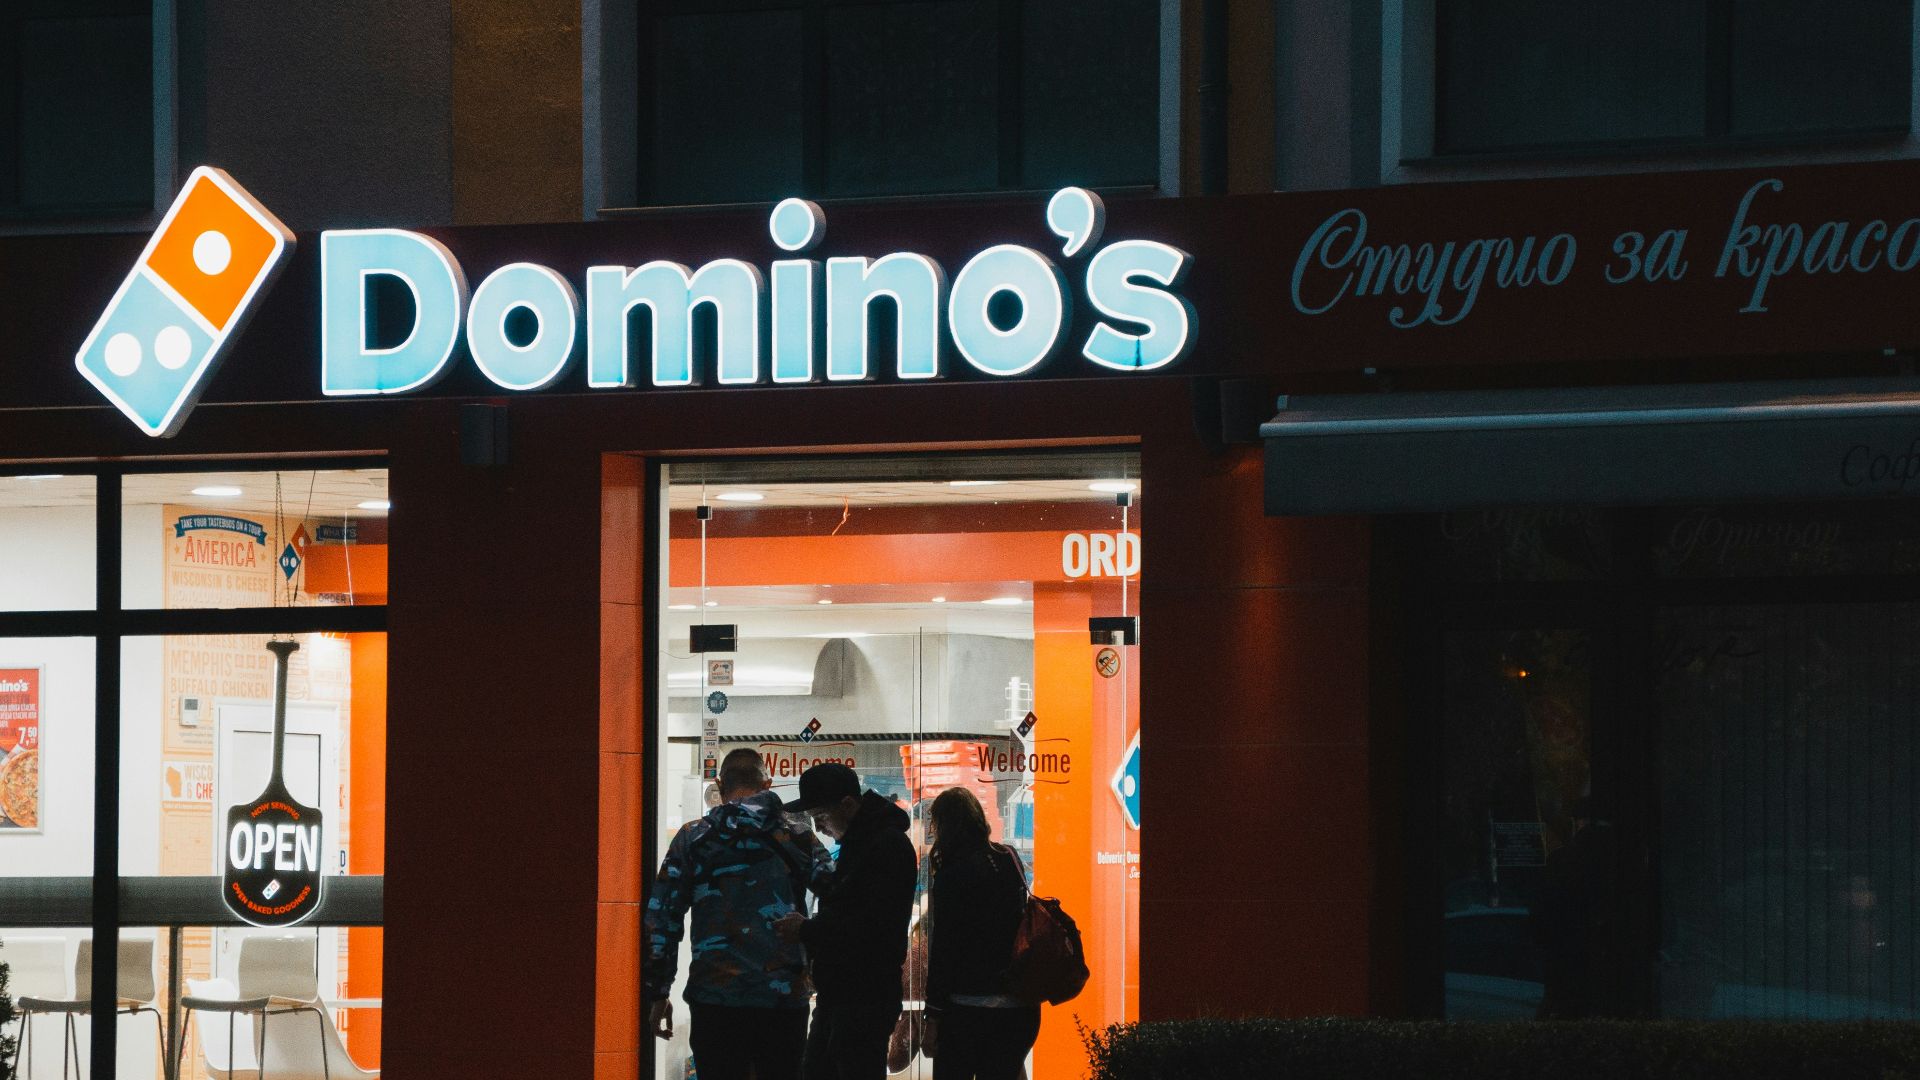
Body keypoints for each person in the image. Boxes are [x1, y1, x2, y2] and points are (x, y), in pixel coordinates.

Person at [643, 748, 830, 1080]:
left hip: (716, 999)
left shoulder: (693, 837)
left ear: (719, 784)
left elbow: (662, 918)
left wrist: (659, 990)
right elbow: (840, 898)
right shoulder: (798, 836)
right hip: (783, 999)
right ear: (767, 783)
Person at [773, 762, 917, 1080]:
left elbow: (872, 927)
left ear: (848, 805)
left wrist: (807, 929)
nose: (819, 827)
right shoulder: (859, 845)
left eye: (821, 817)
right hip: (840, 995)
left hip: (864, 998)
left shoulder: (885, 847)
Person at [922, 787, 1038, 1080]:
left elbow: (944, 948)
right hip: (1018, 1005)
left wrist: (933, 1015)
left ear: (944, 826)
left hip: (968, 1009)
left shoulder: (952, 875)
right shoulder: (1008, 857)